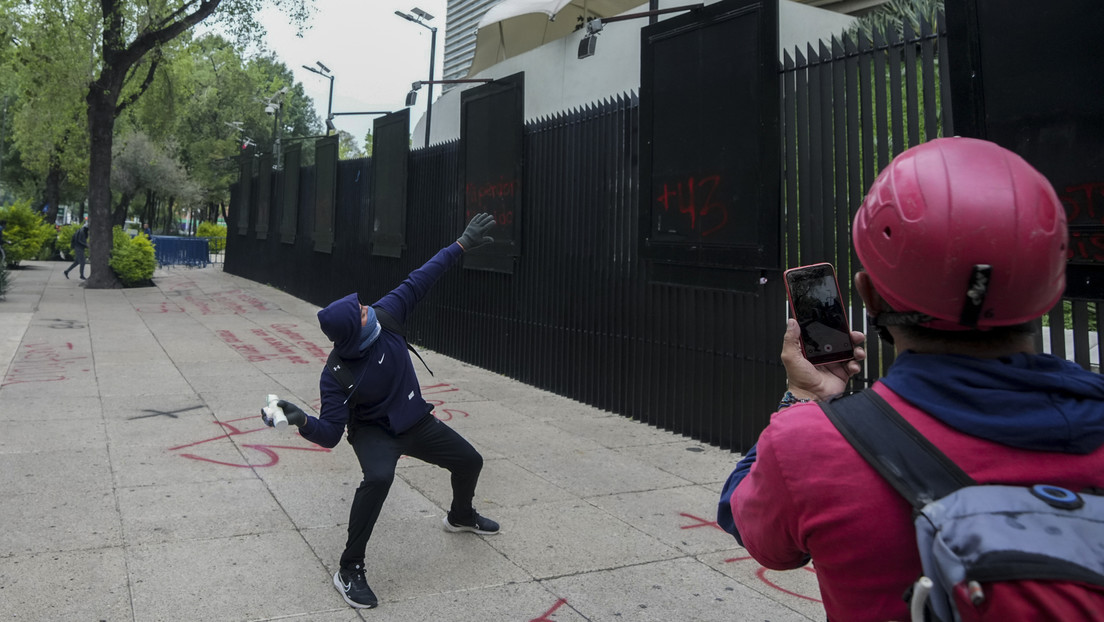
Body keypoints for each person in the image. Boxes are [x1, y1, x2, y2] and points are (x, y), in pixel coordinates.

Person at [717, 137, 1104, 621]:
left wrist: (803, 398)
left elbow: (753, 530)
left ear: (870, 296)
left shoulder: (809, 447)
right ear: (1051, 290)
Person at [265, 213, 501, 610]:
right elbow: (331, 435)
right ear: (352, 333)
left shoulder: (386, 315)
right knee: (378, 478)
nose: (365, 306)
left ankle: (460, 515)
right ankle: (349, 568)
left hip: (415, 419)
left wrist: (461, 243)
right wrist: (301, 419)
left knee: (470, 460)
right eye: (359, 310)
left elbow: (422, 277)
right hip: (374, 431)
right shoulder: (336, 375)